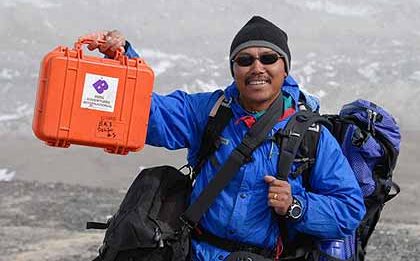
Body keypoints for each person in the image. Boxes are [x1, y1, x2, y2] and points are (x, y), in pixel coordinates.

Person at [81, 16, 366, 261]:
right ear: (234, 69)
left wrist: (295, 204)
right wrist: (123, 58)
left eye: (268, 58)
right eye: (245, 60)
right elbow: (147, 112)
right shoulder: (211, 112)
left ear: (284, 68)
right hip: (197, 253)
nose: (257, 68)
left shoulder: (310, 135)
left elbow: (350, 210)